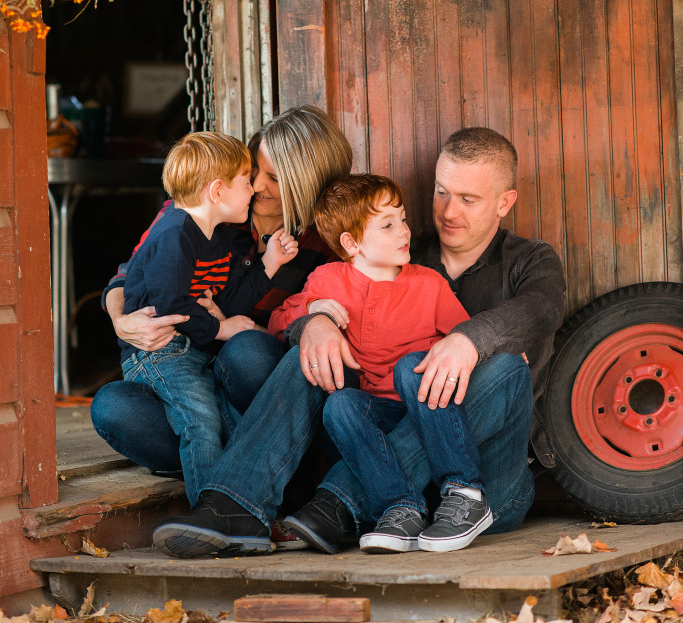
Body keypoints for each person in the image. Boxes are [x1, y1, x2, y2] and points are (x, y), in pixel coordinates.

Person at [150, 126, 565, 559]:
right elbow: (310, 301)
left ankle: (336, 504)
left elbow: (542, 308)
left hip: (484, 481)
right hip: (377, 458)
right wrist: (317, 321)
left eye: (468, 199)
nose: (448, 211)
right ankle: (236, 506)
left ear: (504, 202)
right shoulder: (393, 250)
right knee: (310, 358)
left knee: (499, 369)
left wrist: (469, 340)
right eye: (442, 192)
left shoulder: (530, 260)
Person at [90, 106, 353, 481]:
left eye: (274, 179)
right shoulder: (201, 212)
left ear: (306, 183)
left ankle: (236, 468)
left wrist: (250, 325)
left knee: (248, 352)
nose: (258, 186)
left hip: (255, 388)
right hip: (182, 372)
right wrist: (122, 321)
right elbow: (127, 276)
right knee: (112, 407)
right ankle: (242, 471)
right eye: (253, 172)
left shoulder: (323, 243)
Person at [270, 173, 493, 555]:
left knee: (411, 367)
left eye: (402, 219)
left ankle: (465, 491)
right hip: (376, 415)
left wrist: (495, 350)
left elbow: (464, 337)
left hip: (428, 406)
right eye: (388, 225)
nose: (404, 231)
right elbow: (278, 321)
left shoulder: (428, 283)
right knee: (339, 404)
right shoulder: (327, 278)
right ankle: (401, 508)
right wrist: (312, 310)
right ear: (351, 242)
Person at [119, 131, 298, 506]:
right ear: (217, 191)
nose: (253, 190)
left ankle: (245, 503)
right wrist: (220, 328)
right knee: (199, 421)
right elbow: (171, 304)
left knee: (227, 418)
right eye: (247, 181)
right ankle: (210, 512)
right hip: (158, 354)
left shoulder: (215, 237)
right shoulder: (174, 233)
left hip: (189, 349)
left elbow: (227, 299)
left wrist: (270, 263)